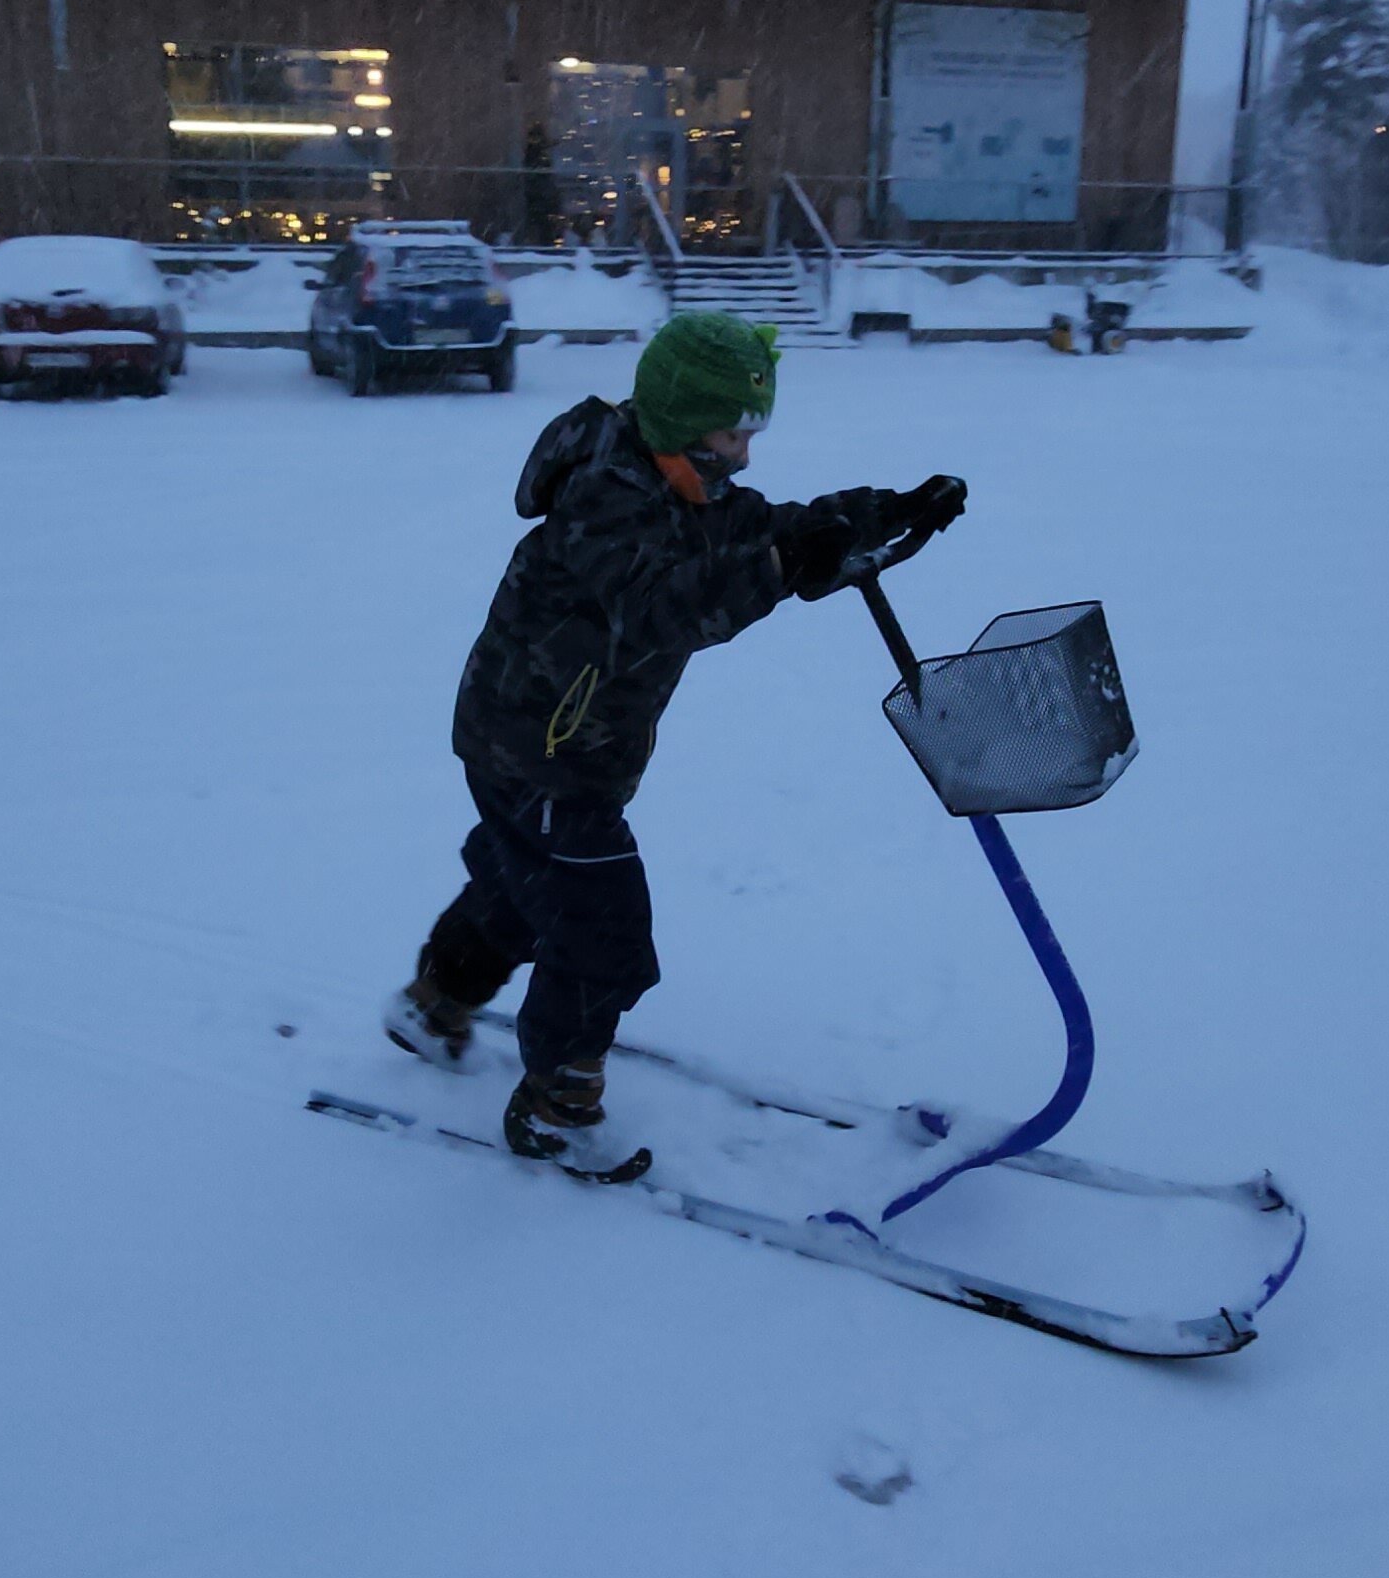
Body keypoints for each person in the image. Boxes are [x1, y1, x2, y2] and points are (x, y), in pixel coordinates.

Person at [383, 311, 965, 1172]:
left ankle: (435, 1004)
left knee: (524, 888)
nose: (744, 456)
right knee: (601, 928)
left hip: (562, 745)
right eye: (732, 435)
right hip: (539, 752)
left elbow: (771, 531)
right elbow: (664, 607)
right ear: (682, 426)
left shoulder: (683, 485)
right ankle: (557, 1111)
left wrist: (880, 513)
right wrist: (779, 568)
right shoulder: (602, 504)